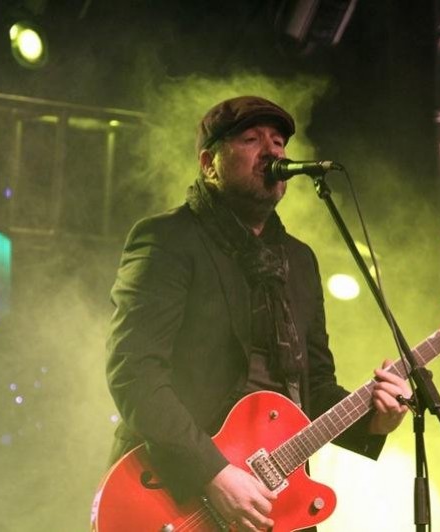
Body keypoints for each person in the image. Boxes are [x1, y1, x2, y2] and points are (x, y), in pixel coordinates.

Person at [106, 95, 411, 531]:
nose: (271, 151)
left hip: (274, 500)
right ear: (209, 164)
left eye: (279, 142)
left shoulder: (299, 261)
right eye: (251, 139)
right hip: (177, 497)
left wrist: (375, 421)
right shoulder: (167, 240)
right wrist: (213, 474)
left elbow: (314, 389)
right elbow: (134, 372)